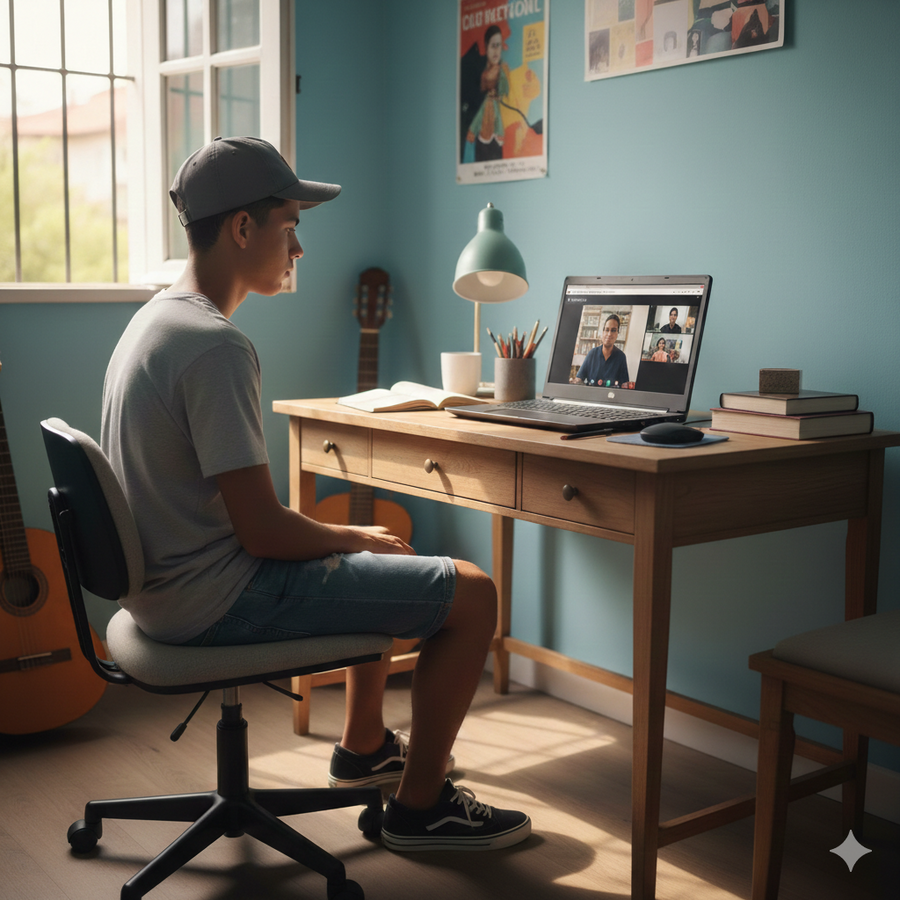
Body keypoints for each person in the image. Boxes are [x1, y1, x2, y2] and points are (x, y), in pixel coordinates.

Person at [101, 136, 531, 853]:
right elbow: (264, 534)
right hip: (215, 597)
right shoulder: (214, 347)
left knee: (382, 557)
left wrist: (349, 540)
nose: (298, 250)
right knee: (475, 591)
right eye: (290, 226)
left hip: (163, 588)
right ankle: (422, 811)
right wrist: (348, 535)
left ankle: (364, 746)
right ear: (244, 227)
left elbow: (255, 520)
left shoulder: (156, 320)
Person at [466, 25, 509, 162]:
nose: (497, 50)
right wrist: (473, 128)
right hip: (482, 135)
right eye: (493, 46)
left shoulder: (502, 72)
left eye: (499, 46)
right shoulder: (481, 74)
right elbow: (480, 108)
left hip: (496, 136)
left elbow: (503, 94)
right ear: (486, 47)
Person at [574, 314, 629, 386]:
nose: (609, 334)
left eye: (613, 330)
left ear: (617, 334)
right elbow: (579, 378)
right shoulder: (592, 353)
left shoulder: (621, 357)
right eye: (607, 330)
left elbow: (625, 384)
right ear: (603, 332)